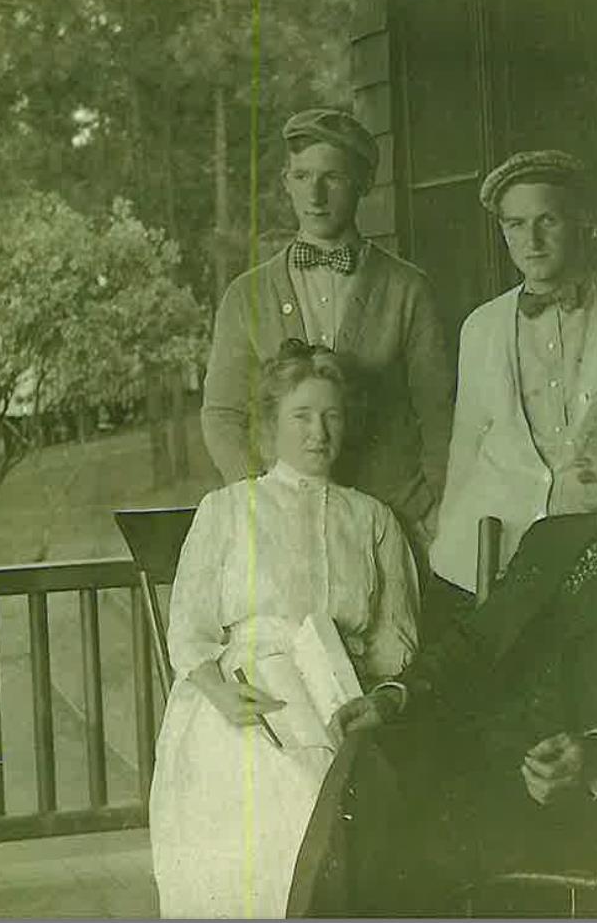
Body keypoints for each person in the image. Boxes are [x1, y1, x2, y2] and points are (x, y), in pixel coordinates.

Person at [294, 382, 597, 916]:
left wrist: (595, 752)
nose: (579, 453)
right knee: (368, 758)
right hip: (480, 755)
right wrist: (395, 696)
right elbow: (474, 641)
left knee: (401, 841)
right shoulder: (552, 537)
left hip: (571, 793)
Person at [150, 340, 419, 919]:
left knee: (356, 808)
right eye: (301, 416)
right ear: (271, 425)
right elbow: (189, 628)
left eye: (332, 415)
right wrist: (222, 694)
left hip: (343, 698)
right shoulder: (226, 510)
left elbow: (396, 642)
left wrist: (371, 694)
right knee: (290, 802)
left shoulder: (372, 518)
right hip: (244, 700)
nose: (318, 432)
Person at [201, 108, 452, 569]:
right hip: (283, 537)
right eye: (302, 176)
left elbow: (440, 415)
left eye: (332, 178)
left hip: (392, 526)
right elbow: (222, 415)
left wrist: (428, 506)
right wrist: (265, 501)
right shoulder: (246, 296)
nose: (314, 195)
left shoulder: (407, 289)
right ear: (286, 181)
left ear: (362, 184)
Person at [431, 149, 597, 595]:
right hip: (494, 545)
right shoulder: (481, 326)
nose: (531, 240)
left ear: (580, 222)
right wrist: (448, 540)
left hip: (595, 541)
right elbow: (466, 446)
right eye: (515, 225)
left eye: (548, 221)